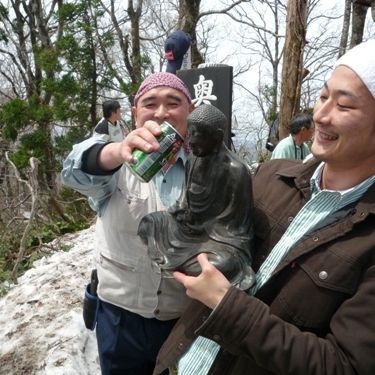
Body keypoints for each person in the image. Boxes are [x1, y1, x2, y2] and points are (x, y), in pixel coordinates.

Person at [153, 39, 375, 375]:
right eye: (323, 96)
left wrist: (226, 305)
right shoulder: (271, 177)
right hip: (177, 362)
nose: (321, 115)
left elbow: (345, 366)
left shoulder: (367, 238)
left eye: (344, 106)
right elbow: (208, 229)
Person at [61, 72, 195, 375]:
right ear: (135, 114)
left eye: (173, 103)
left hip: (183, 321)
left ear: (191, 111)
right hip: (120, 319)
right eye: (150, 103)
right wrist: (116, 152)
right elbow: (72, 169)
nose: (161, 112)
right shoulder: (117, 163)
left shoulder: (207, 170)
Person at [137, 104, 255, 291]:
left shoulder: (236, 170)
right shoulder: (193, 159)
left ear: (216, 136)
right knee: (149, 223)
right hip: (189, 230)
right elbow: (185, 201)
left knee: (222, 265)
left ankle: (185, 263)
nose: (189, 141)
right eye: (189, 133)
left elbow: (238, 229)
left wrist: (206, 228)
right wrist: (179, 212)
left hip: (219, 240)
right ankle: (186, 262)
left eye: (196, 135)